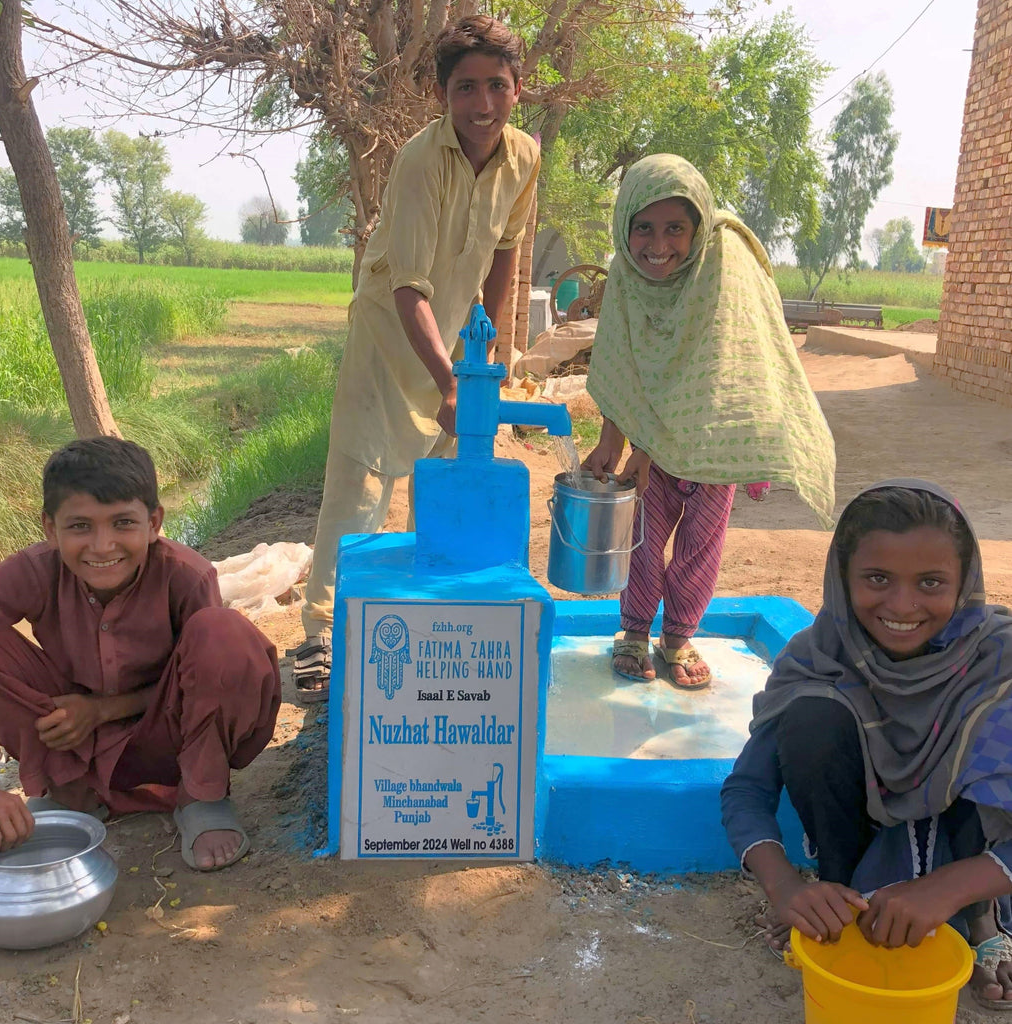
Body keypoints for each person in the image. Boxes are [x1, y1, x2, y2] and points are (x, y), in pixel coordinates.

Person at [290, 14, 540, 703]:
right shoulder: (419, 161)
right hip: (389, 331)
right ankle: (320, 631)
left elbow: (507, 249)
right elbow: (407, 286)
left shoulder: (523, 157)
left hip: (454, 332)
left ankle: (416, 612)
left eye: (496, 86)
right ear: (442, 94)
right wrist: (448, 378)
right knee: (362, 481)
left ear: (518, 88)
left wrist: (485, 348)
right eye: (466, 88)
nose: (482, 104)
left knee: (438, 474)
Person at [721, 481, 1012, 1009]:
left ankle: (981, 917)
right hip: (856, 841)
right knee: (812, 717)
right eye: (877, 578)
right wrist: (786, 888)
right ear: (842, 578)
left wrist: (951, 887)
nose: (903, 605)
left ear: (964, 582)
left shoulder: (1000, 663)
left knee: (994, 721)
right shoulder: (819, 655)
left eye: (930, 582)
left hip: (971, 861)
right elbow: (746, 789)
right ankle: (841, 903)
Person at [585, 155, 835, 690]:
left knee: (701, 549)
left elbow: (732, 356)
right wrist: (614, 438)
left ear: (698, 226)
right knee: (643, 544)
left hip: (715, 444)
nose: (659, 245)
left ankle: (676, 638)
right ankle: (632, 633)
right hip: (650, 451)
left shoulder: (725, 264)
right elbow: (621, 359)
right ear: (624, 226)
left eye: (676, 228)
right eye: (644, 228)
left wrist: (654, 451)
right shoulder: (627, 280)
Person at [0, 437, 281, 872]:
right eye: (80, 526)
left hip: (166, 735)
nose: (102, 545)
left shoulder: (186, 576)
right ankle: (71, 793)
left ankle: (201, 796)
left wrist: (101, 710)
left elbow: (208, 677)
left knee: (224, 632)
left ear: (153, 523)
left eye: (122, 523)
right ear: (50, 529)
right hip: (68, 740)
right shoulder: (35, 570)